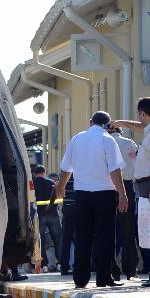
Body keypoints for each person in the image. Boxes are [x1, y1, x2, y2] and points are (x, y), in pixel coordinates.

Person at [54, 111, 128, 288]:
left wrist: (61, 187)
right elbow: (115, 170)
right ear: (108, 125)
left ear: (90, 122)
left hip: (82, 194)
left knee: (82, 237)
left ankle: (80, 279)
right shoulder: (108, 139)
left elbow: (66, 168)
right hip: (105, 193)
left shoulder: (77, 138)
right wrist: (122, 194)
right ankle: (103, 278)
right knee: (105, 236)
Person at [112, 97, 150, 286]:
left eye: (139, 115)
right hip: (146, 185)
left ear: (143, 113)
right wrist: (121, 123)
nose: (139, 120)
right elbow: (140, 127)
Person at [110, 127, 139, 279]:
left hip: (108, 187)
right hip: (127, 186)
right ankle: (130, 270)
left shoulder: (105, 142)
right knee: (128, 230)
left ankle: (111, 268)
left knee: (108, 230)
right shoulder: (129, 143)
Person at [32, 165, 61, 271]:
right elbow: (58, 196)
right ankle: (60, 263)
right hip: (53, 214)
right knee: (57, 240)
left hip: (39, 215)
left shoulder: (32, 184)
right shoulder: (51, 183)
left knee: (41, 240)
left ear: (34, 174)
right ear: (44, 172)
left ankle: (44, 265)